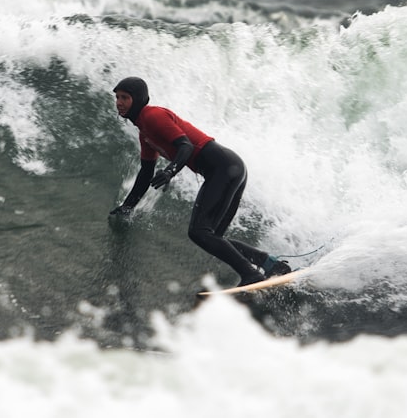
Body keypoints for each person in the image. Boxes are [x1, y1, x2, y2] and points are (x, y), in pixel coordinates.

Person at [108, 76, 291, 287]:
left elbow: (185, 146)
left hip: (222, 167)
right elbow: (145, 173)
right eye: (117, 97)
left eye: (125, 98)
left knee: (199, 232)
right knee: (213, 238)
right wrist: (127, 206)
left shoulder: (153, 115)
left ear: (138, 99)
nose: (119, 102)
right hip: (230, 168)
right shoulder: (145, 134)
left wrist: (170, 172)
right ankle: (270, 264)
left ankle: (251, 275)